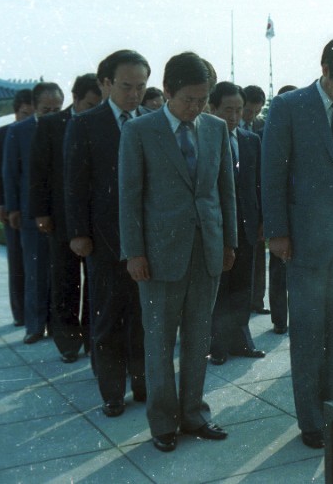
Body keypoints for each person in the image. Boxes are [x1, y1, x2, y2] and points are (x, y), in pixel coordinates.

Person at [261, 36, 333, 449]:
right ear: (325, 69)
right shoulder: (288, 107)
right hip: (305, 240)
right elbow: (272, 171)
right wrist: (276, 231)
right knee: (309, 333)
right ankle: (311, 420)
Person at [119, 52, 236, 453]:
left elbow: (225, 192)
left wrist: (229, 242)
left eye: (203, 99)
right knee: (160, 342)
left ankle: (194, 414)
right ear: (167, 91)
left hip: (206, 250)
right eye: (188, 99)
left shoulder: (216, 129)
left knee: (198, 337)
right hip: (158, 255)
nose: (196, 107)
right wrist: (134, 253)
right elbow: (130, 197)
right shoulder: (139, 132)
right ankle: (163, 423)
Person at [65, 50, 148, 417]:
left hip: (147, 241)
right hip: (105, 240)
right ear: (106, 84)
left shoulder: (152, 121)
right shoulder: (85, 124)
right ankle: (113, 392)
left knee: (145, 318)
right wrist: (79, 232)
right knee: (109, 318)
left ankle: (144, 382)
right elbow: (75, 185)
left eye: (141, 86)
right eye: (127, 86)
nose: (135, 94)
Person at [29, 73, 101, 363]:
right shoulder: (50, 125)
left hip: (96, 218)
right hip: (60, 218)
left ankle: (93, 337)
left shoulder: (102, 123)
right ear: (75, 99)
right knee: (65, 281)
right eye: (90, 104)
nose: (94, 110)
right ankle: (68, 343)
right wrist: (41, 212)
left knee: (97, 283)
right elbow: (38, 173)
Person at [207, 81, 266, 364]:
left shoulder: (250, 140)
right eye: (227, 110)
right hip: (215, 227)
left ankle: (241, 340)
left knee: (243, 286)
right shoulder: (203, 139)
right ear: (213, 108)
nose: (234, 116)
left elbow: (258, 184)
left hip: (246, 224)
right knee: (219, 287)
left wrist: (262, 220)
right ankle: (216, 344)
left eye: (239, 110)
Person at [3, 82, 64, 344]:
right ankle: (35, 326)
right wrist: (13, 207)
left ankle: (60, 326)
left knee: (61, 273)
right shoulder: (19, 131)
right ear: (35, 106)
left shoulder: (69, 125)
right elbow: (10, 172)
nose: (51, 114)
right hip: (31, 212)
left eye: (56, 108)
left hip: (62, 211)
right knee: (35, 270)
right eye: (45, 109)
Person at [0, 89, 32, 327]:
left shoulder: (40, 130)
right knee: (16, 260)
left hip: (33, 207)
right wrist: (0, 203)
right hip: (11, 206)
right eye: (24, 113)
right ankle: (19, 313)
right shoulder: (1, 135)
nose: (28, 118)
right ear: (16, 112)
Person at [265, 84, 297, 336]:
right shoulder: (272, 133)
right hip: (282, 221)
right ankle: (279, 320)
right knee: (278, 275)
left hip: (303, 221)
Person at [241, 84, 270, 316]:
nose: (251, 116)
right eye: (248, 110)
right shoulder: (224, 125)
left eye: (256, 111)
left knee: (259, 257)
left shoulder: (262, 127)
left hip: (255, 203)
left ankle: (257, 301)